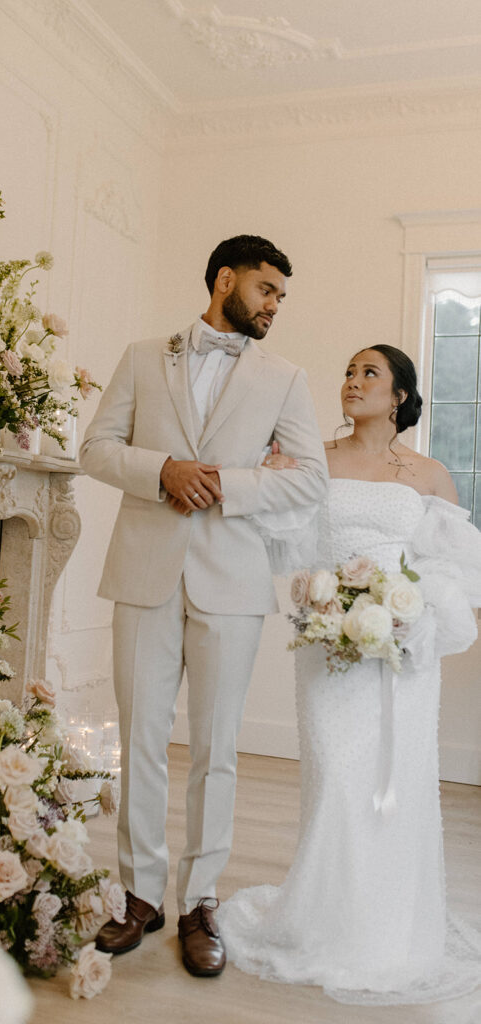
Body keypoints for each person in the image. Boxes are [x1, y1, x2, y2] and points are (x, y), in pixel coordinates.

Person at [78, 234, 328, 977]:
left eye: (280, 295)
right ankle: (139, 896)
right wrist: (162, 470)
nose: (274, 305)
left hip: (232, 579)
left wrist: (225, 483)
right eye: (265, 289)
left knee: (216, 751)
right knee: (142, 740)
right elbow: (95, 448)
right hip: (143, 574)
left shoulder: (283, 377)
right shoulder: (140, 355)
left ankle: (200, 902)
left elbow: (308, 478)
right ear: (224, 280)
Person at [218, 344, 481, 1004]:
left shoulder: (427, 474)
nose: (351, 382)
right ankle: (324, 922)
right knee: (336, 777)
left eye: (369, 374)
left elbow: (453, 569)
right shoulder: (318, 461)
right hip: (328, 642)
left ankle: (388, 929)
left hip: (399, 650)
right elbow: (286, 544)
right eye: (347, 372)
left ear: (397, 396)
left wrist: (412, 614)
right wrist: (269, 476)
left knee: (392, 784)